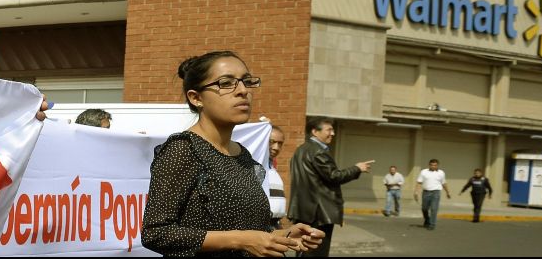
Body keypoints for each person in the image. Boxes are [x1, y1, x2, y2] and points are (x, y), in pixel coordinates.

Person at [141, 51, 325, 257]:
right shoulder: (183, 149)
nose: (243, 90)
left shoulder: (242, 154)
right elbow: (155, 233)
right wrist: (241, 240)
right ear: (196, 98)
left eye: (246, 81)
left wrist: (283, 236)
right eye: (226, 83)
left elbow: (250, 231)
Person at [287, 117, 374, 257]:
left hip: (305, 210)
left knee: (304, 250)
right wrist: (357, 168)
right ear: (315, 132)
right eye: (329, 130)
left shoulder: (301, 150)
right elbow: (334, 176)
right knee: (316, 251)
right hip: (319, 212)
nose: (332, 133)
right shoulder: (318, 151)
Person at [414, 158, 451, 230]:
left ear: (437, 165)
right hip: (426, 192)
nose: (433, 166)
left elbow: (444, 183)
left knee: (434, 209)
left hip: (436, 193)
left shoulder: (441, 173)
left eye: (435, 165)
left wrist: (447, 192)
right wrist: (416, 192)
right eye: (432, 165)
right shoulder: (423, 172)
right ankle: (427, 220)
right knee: (424, 208)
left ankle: (432, 224)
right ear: (429, 165)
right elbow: (419, 182)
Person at [267, 124, 287, 229]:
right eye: (272, 142)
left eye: (280, 143)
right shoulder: (254, 167)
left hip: (275, 224)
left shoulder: (271, 167)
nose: (276, 147)